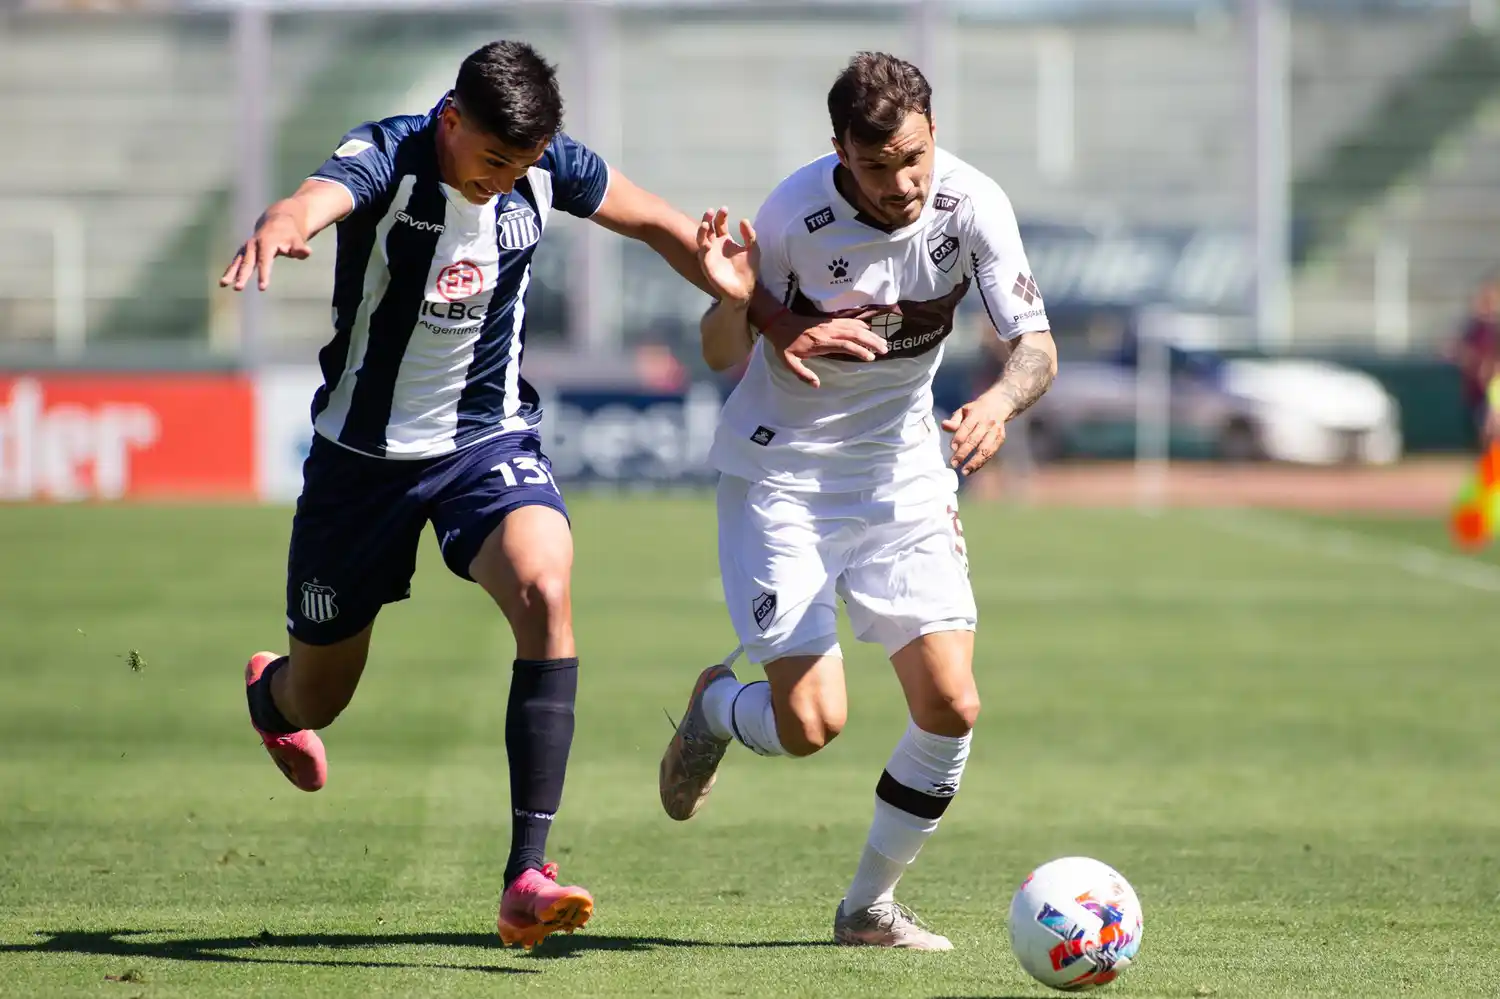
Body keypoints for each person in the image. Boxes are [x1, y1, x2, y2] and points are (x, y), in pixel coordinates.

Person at [219, 40, 719, 950]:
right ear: (452, 121)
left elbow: (655, 222)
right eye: (493, 160)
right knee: (322, 695)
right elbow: (315, 197)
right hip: (359, 463)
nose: (507, 180)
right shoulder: (390, 152)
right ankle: (272, 700)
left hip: (483, 442)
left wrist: (741, 288)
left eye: (524, 165)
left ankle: (527, 874)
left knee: (546, 584)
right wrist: (286, 219)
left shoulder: (542, 165)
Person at [659, 51, 1058, 950]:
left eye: (912, 157)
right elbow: (724, 351)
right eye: (875, 166)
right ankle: (719, 708)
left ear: (932, 134)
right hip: (783, 478)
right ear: (837, 148)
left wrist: (997, 402)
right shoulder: (794, 213)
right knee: (811, 726)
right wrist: (736, 301)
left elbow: (1034, 345)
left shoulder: (973, 204)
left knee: (952, 704)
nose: (900, 183)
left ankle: (867, 908)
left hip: (904, 471)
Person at [1452, 273, 1500, 447]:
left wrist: (1490, 368)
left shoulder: (1495, 328)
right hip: (1477, 392)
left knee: (1492, 433)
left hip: (1494, 389)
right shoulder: (1473, 328)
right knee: (1486, 437)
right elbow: (1458, 350)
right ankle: (1491, 472)